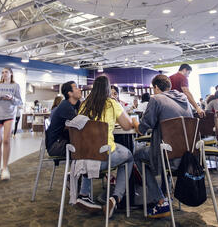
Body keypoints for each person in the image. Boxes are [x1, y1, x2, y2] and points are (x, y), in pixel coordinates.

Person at [132, 74, 193, 218]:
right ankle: (166, 193)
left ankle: (160, 199)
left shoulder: (156, 99)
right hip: (186, 154)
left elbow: (143, 128)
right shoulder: (184, 98)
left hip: (167, 154)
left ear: (156, 88)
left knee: (137, 155)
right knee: (166, 148)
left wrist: (135, 124)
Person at [76, 76, 134, 218]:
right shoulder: (111, 103)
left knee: (91, 150)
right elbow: (127, 126)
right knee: (128, 158)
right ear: (108, 89)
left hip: (83, 157)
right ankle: (115, 197)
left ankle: (84, 194)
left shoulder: (84, 105)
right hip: (103, 157)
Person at [0, 67, 22, 180]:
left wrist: (12, 97)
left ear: (11, 73)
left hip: (9, 115)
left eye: (6, 72)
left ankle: (5, 168)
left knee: (6, 140)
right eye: (2, 72)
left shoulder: (15, 86)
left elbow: (20, 101)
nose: (4, 74)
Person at [46, 81, 81, 157]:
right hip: (56, 146)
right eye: (76, 88)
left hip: (64, 141)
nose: (79, 89)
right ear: (70, 93)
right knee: (86, 147)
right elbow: (80, 123)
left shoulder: (76, 104)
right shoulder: (65, 106)